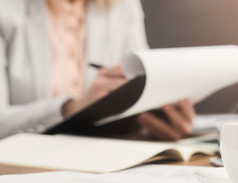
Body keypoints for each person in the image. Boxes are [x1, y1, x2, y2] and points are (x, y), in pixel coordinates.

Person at [0, 0, 195, 140]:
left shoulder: (123, 6)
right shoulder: (7, 10)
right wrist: (72, 108)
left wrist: (153, 118)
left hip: (103, 159)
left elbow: (141, 85)